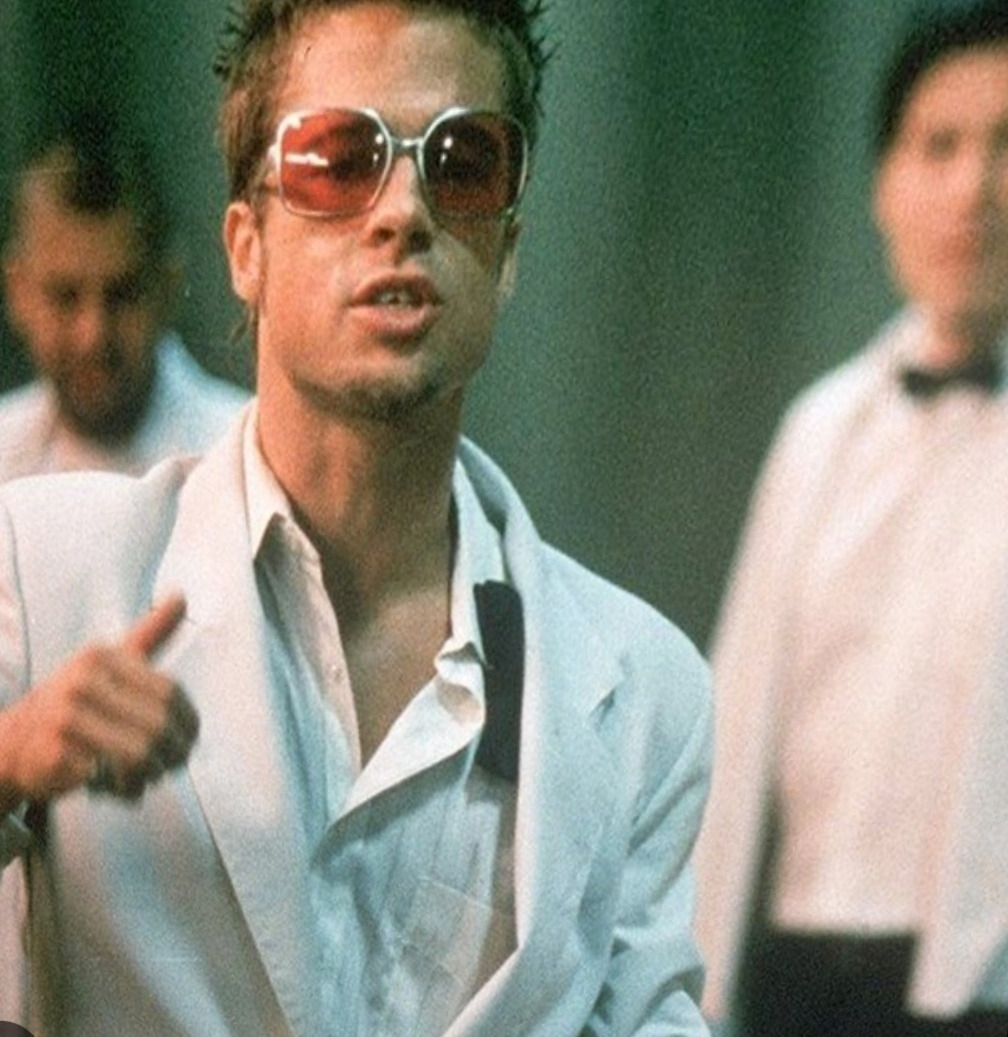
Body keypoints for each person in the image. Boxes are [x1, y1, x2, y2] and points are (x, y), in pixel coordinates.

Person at [0, 2, 714, 1034]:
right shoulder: (44, 567)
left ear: (508, 249)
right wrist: (8, 762)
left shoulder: (644, 691)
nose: (404, 211)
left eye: (462, 163)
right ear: (246, 246)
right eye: (339, 159)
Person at [694, 2, 1008, 1034]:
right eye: (938, 147)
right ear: (884, 185)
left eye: (1007, 145)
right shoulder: (820, 430)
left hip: (980, 987)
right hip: (794, 975)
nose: (974, 187)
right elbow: (740, 716)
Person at [0, 105, 248, 481]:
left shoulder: (242, 463)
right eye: (65, 297)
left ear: (167, 286)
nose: (93, 335)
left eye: (122, 295)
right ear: (17, 291)